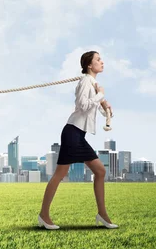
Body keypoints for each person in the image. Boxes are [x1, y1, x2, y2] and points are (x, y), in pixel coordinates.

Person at [38, 51, 118, 230]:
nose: (102, 62)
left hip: (79, 134)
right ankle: (43, 215)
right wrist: (100, 95)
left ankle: (102, 214)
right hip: (72, 132)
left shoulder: (94, 84)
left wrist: (107, 109)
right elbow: (82, 105)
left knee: (100, 171)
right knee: (60, 174)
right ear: (89, 65)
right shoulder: (85, 81)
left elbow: (93, 109)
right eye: (98, 59)